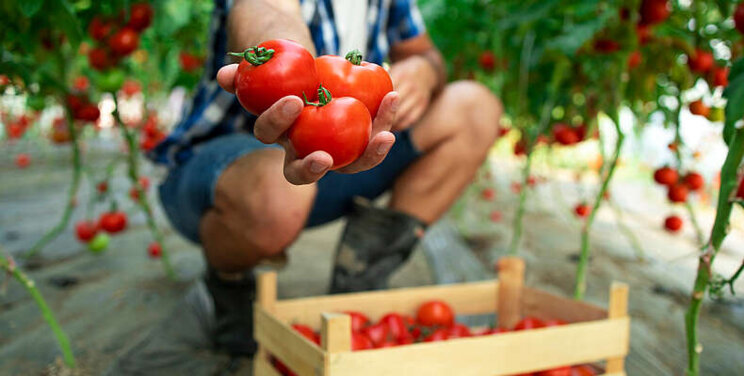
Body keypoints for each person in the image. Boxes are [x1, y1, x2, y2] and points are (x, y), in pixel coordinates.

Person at [150, 0, 502, 357]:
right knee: (277, 192)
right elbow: (268, 11)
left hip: (346, 150)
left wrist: (423, 71)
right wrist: (286, 69)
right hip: (227, 167)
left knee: (475, 107)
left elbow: (425, 54)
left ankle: (360, 276)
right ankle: (229, 285)